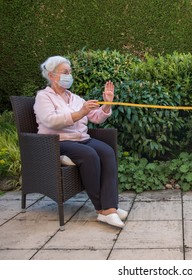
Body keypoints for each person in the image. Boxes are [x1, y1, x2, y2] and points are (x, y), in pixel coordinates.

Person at [34, 55, 127, 228]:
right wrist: (80, 113)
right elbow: (50, 120)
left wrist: (107, 104)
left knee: (107, 152)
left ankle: (110, 207)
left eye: (70, 72)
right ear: (52, 75)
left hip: (81, 139)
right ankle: (102, 210)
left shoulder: (76, 98)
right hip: (57, 142)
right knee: (90, 155)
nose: (69, 75)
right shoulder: (43, 97)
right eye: (65, 72)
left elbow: (97, 118)